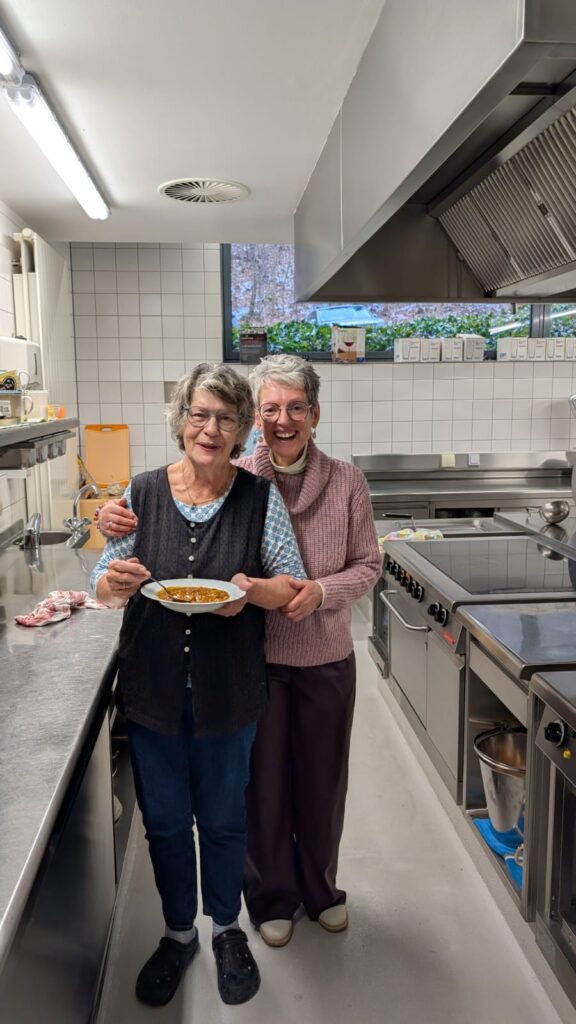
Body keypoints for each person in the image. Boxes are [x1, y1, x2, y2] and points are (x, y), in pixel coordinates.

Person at [99, 353, 380, 950]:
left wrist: (285, 593)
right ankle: (235, 912)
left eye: (296, 408)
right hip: (220, 668)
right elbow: (115, 562)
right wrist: (109, 546)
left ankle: (293, 901)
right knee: (238, 801)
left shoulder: (318, 484)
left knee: (305, 789)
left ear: (314, 415)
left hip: (291, 662)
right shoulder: (192, 479)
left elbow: (341, 569)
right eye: (271, 408)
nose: (283, 420)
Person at [91, 362, 307, 1008]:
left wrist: (251, 592)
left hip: (228, 691)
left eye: (225, 419)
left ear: (241, 431)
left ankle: (226, 929)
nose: (210, 429)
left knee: (222, 818)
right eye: (199, 414)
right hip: (152, 689)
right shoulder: (142, 492)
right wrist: (114, 583)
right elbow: (105, 583)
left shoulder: (258, 499)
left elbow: (290, 584)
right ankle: (179, 933)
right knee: (162, 822)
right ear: (182, 419)